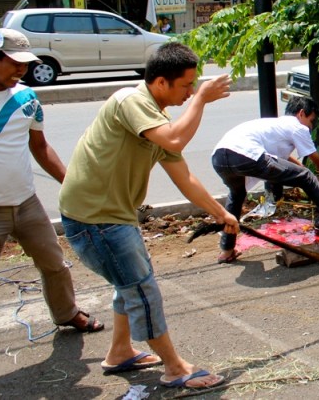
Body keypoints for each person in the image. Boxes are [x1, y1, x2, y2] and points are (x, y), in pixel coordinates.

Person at [58, 42, 236, 390]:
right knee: (140, 288)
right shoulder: (131, 101)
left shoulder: (156, 120)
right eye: (185, 85)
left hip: (114, 216)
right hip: (94, 218)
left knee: (132, 282)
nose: (189, 92)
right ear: (159, 83)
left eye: (192, 87)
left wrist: (222, 213)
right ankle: (175, 368)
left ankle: (121, 351)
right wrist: (201, 99)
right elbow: (175, 140)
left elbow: (184, 176)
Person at [0, 29, 104, 335]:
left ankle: (67, 313)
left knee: (54, 263)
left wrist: (72, 183)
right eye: (14, 63)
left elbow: (39, 147)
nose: (21, 70)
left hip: (26, 202)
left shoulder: (27, 98)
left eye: (25, 64)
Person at [211, 96, 319, 263]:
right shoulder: (297, 127)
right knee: (306, 177)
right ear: (302, 113)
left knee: (236, 195)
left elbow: (293, 166)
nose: (311, 127)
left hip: (220, 158)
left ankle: (227, 250)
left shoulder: (275, 126)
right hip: (244, 155)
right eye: (311, 121)